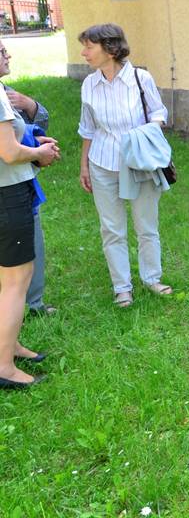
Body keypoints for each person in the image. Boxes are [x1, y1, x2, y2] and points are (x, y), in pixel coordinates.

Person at [78, 24, 173, 307]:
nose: (84, 53)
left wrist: (141, 137)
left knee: (146, 224)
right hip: (102, 163)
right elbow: (87, 128)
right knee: (111, 229)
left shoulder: (140, 79)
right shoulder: (89, 84)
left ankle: (152, 279)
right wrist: (84, 166)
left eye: (89, 47)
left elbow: (158, 113)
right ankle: (122, 287)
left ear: (110, 49)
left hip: (140, 163)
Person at [0, 59, 58, 389]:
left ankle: (10, 345)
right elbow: (8, 151)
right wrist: (39, 153)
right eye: (0, 49)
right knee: (16, 280)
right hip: (8, 195)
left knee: (9, 280)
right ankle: (4, 366)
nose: (5, 53)